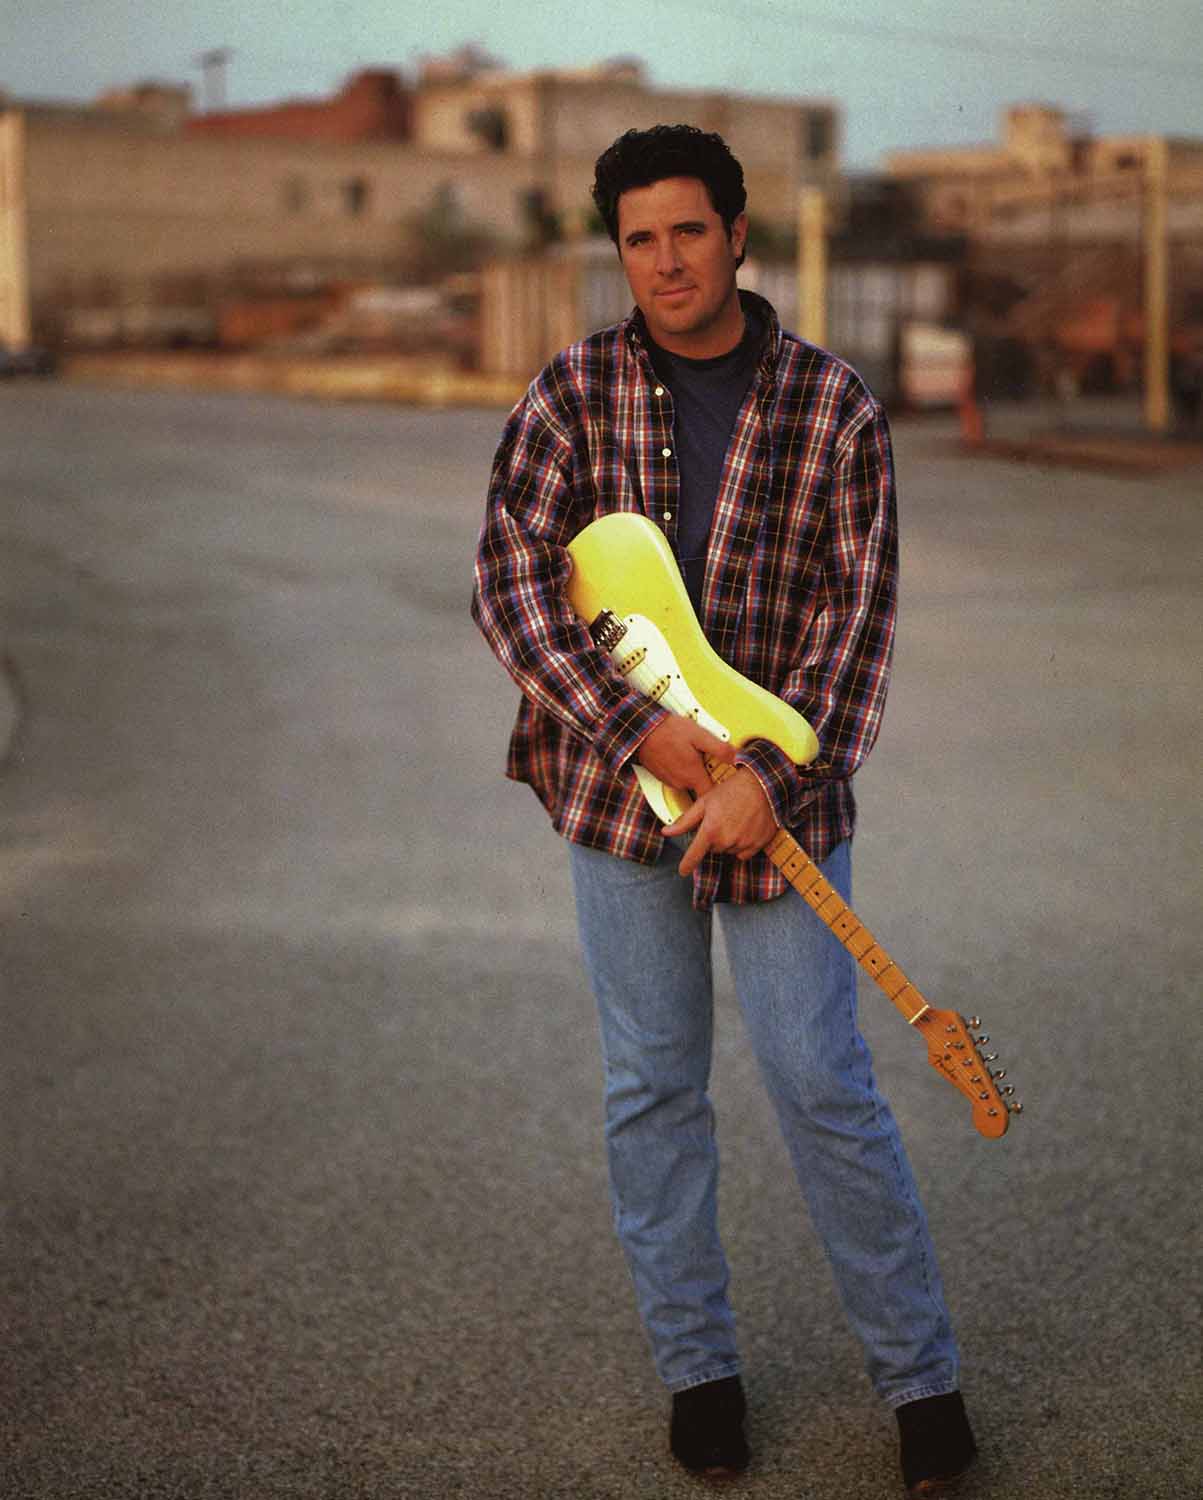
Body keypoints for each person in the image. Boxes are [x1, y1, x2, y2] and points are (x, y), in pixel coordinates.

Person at [471, 124, 977, 1497]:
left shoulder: (833, 404)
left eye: (689, 230)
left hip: (783, 803)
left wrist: (770, 780)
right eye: (639, 238)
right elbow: (512, 585)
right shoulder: (573, 391)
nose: (666, 260)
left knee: (824, 1083)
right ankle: (701, 1372)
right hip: (616, 798)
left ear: (740, 234)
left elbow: (853, 619)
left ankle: (921, 1384)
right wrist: (642, 726)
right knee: (654, 1090)